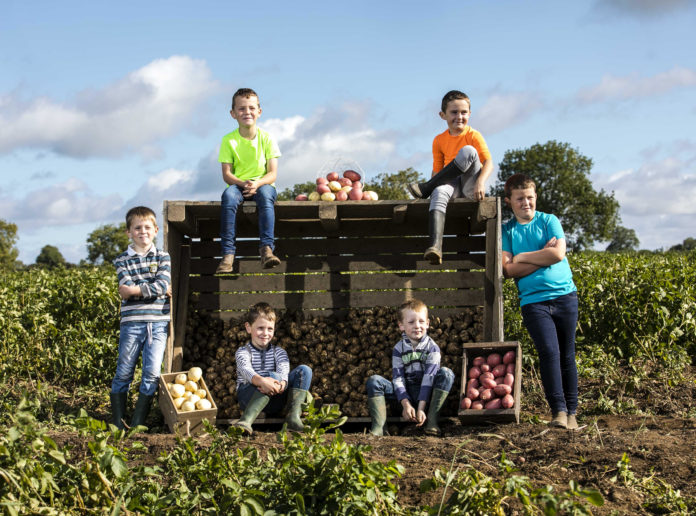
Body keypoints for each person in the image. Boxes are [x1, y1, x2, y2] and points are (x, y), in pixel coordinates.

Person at [501, 174, 579, 430]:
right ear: (509, 201)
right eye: (520, 198)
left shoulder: (549, 221)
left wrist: (522, 257)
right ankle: (558, 411)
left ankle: (572, 413)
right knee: (549, 352)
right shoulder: (507, 230)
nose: (526, 203)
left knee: (567, 354)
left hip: (565, 295)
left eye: (530, 197)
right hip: (534, 302)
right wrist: (539, 256)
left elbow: (558, 254)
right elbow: (508, 271)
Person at [407, 90, 493, 264]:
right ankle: (435, 247)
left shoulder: (473, 135)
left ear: (469, 113)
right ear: (443, 115)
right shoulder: (438, 140)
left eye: (464, 112)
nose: (459, 116)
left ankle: (426, 187)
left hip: (471, 185)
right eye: (454, 112)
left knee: (468, 151)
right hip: (451, 184)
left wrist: (481, 183)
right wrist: (434, 191)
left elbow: (489, 162)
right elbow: (438, 171)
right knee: (438, 191)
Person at [110, 206, 171, 430]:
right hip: (132, 323)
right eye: (137, 228)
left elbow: (161, 284)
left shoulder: (163, 256)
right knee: (124, 370)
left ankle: (137, 422)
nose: (142, 231)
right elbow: (128, 288)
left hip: (158, 324)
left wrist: (137, 290)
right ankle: (117, 421)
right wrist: (156, 289)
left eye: (147, 227)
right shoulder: (121, 260)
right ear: (129, 232)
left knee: (152, 373)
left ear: (155, 230)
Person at [365, 299, 454, 436]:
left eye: (421, 321)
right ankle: (379, 427)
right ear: (401, 326)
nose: (417, 326)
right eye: (411, 322)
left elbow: (428, 379)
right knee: (374, 381)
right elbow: (398, 378)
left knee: (446, 374)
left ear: (428, 324)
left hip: (427, 395)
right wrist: (406, 404)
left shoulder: (432, 348)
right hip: (405, 394)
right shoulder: (398, 348)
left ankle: (431, 421)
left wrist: (420, 408)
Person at [217, 87, 281, 273]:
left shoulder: (267, 138)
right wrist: (243, 183)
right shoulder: (228, 140)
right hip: (238, 185)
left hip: (263, 184)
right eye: (242, 109)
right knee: (228, 197)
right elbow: (227, 174)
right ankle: (228, 254)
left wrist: (257, 183)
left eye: (251, 108)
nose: (247, 112)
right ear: (233, 113)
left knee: (266, 198)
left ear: (259, 112)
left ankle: (266, 249)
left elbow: (273, 173)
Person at [233, 302, 312, 434]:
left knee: (304, 370)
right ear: (248, 327)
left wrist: (282, 384)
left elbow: (284, 370)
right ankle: (245, 421)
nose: (265, 333)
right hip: (248, 397)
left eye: (270, 329)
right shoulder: (243, 352)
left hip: (275, 398)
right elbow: (246, 371)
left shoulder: (279, 352)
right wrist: (264, 381)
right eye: (260, 328)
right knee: (272, 376)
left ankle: (293, 417)